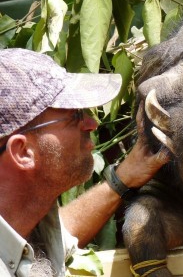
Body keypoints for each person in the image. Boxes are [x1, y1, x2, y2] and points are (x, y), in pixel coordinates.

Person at [0, 48, 170, 277]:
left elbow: (61, 231)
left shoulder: (26, 224)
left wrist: (123, 178)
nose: (92, 123)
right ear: (23, 152)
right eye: (74, 116)